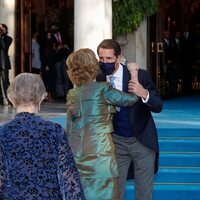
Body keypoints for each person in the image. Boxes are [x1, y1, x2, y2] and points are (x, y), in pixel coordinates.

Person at [66, 48, 139, 200]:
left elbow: (69, 128)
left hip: (76, 154)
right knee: (105, 192)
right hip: (100, 154)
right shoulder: (103, 89)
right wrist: (133, 74)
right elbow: (131, 99)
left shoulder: (72, 94)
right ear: (93, 67)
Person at [0, 73, 85, 199]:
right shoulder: (55, 131)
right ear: (40, 98)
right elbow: (69, 179)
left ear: (12, 99)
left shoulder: (3, 132)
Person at [96, 39, 163, 200]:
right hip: (116, 142)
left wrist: (143, 93)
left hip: (142, 141)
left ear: (119, 58)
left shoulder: (139, 75)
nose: (104, 63)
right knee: (115, 191)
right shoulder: (97, 78)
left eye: (109, 59)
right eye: (101, 58)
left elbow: (158, 105)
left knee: (144, 192)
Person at [50, 23, 72, 99]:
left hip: (65, 58)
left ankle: (67, 93)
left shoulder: (64, 35)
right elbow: (50, 49)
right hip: (57, 60)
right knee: (59, 76)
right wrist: (57, 49)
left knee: (66, 76)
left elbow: (69, 45)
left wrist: (66, 47)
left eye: (55, 27)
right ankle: (60, 94)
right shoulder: (51, 37)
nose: (54, 29)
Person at [0, 23, 12, 105]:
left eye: (1, 28)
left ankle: (10, 99)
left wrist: (0, 37)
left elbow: (4, 47)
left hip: (3, 63)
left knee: (5, 82)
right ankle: (1, 100)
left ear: (5, 29)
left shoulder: (8, 38)